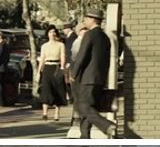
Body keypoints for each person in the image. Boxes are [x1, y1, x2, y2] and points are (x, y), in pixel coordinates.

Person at [69, 8, 116, 138]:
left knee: (82, 106)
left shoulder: (89, 35)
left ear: (92, 19)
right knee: (89, 109)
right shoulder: (105, 38)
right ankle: (84, 136)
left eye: (86, 19)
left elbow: (81, 56)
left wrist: (73, 73)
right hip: (99, 79)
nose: (84, 21)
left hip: (87, 78)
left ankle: (107, 125)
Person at [38, 25, 67, 121]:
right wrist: (39, 71)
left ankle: (57, 113)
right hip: (47, 67)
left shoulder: (61, 45)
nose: (52, 34)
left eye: (54, 32)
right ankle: (45, 113)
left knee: (58, 89)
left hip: (57, 67)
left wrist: (62, 68)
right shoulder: (44, 46)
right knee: (46, 89)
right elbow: (42, 58)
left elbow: (63, 56)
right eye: (50, 32)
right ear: (47, 34)